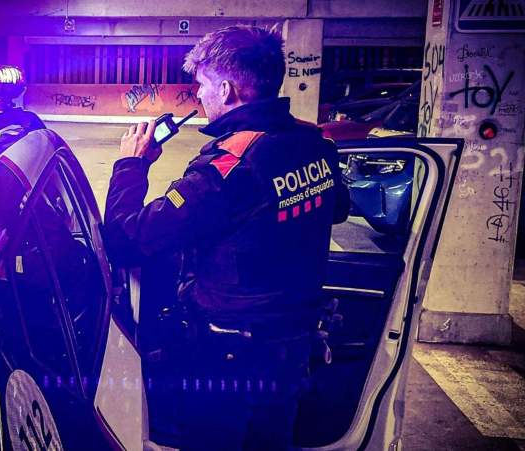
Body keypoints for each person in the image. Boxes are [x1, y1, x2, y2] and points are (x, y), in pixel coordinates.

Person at [104, 25, 349, 451]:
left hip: (228, 356)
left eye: (201, 85)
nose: (198, 96)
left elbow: (127, 240)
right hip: (292, 348)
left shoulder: (228, 168)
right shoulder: (312, 142)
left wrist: (131, 165)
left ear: (227, 89)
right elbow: (338, 207)